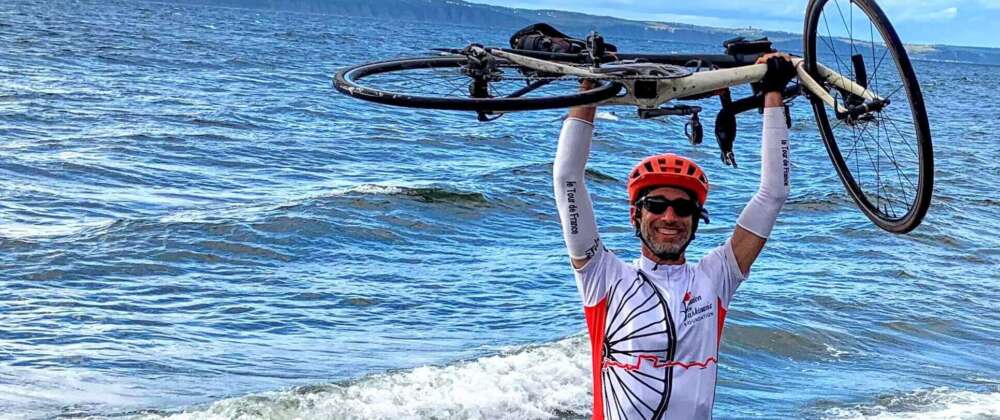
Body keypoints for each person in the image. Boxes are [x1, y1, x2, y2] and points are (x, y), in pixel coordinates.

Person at [552, 53, 796, 419]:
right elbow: (567, 178)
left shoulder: (716, 278)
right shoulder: (603, 276)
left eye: (683, 209)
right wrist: (591, 84)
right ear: (637, 215)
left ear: (696, 220)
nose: (670, 217)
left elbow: (773, 194)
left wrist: (772, 93)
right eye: (657, 205)